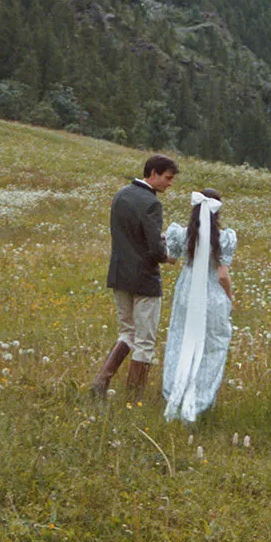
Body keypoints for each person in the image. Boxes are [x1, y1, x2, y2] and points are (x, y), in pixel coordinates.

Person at [90, 154, 179, 397]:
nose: (170, 184)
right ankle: (133, 397)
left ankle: (100, 382)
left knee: (127, 332)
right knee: (145, 340)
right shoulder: (152, 203)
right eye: (168, 178)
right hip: (144, 279)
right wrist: (167, 256)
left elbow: (126, 235)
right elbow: (153, 247)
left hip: (119, 274)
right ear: (154, 174)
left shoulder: (121, 195)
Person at [161, 188, 237, 423]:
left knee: (181, 340)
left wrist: (164, 241)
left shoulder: (183, 234)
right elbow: (223, 275)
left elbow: (171, 260)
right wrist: (230, 297)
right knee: (213, 346)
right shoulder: (224, 237)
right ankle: (202, 400)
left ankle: (176, 392)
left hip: (187, 293)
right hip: (212, 294)